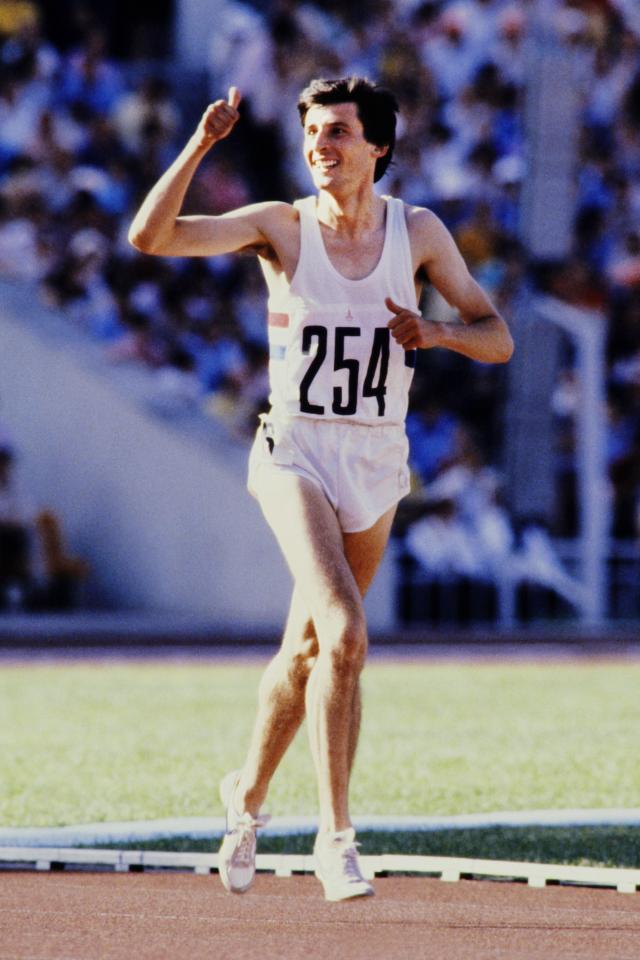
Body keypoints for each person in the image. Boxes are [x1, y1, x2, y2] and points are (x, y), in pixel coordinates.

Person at [128, 76, 513, 902]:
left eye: (338, 131)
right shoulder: (281, 225)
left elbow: (498, 337)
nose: (320, 145)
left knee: (307, 652)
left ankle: (247, 799)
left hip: (375, 460)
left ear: (378, 146)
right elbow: (150, 238)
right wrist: (201, 145)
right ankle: (335, 838)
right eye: (311, 131)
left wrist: (437, 331)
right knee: (344, 633)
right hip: (294, 450)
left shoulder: (417, 231)